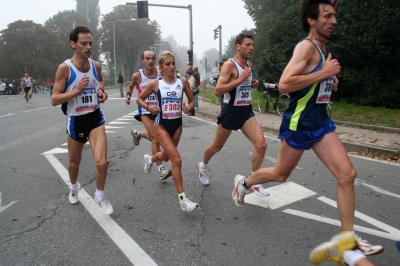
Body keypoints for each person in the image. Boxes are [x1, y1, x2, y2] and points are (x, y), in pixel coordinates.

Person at [231, 0, 383, 262]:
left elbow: (309, 81)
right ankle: (243, 184)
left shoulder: (323, 49)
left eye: (334, 15)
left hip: (321, 123)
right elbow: (284, 84)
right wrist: (323, 72)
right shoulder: (306, 46)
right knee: (280, 174)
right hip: (299, 124)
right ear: (312, 21)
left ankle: (348, 240)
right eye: (327, 16)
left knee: (347, 174)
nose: (334, 20)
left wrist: (326, 78)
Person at [197, 33, 269, 198]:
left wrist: (250, 83)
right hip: (231, 111)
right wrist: (240, 79)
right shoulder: (230, 65)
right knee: (217, 147)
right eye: (248, 45)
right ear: (238, 46)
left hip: (245, 111)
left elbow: (241, 85)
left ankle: (252, 181)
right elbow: (218, 91)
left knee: (261, 145)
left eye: (252, 45)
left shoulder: (249, 65)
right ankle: (203, 166)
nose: (251, 48)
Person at [51, 26, 113, 215]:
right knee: (74, 163)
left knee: (102, 162)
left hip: (95, 118)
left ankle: (100, 196)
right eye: (83, 43)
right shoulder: (65, 69)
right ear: (73, 44)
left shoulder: (95, 66)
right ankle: (73, 187)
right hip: (76, 120)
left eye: (90, 43)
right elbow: (54, 99)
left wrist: (101, 90)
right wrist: (77, 91)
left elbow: (100, 80)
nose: (88, 47)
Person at [136, 51, 198, 212]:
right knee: (176, 160)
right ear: (161, 67)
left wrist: (188, 108)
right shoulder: (156, 84)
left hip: (177, 126)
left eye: (173, 63)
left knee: (164, 156)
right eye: (167, 64)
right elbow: (139, 99)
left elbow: (192, 102)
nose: (171, 66)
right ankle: (183, 200)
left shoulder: (182, 81)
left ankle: (150, 160)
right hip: (161, 126)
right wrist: (149, 107)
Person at [125, 50, 172, 181]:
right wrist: (128, 96)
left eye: (152, 58)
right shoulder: (137, 76)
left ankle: (137, 134)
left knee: (157, 136)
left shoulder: (160, 73)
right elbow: (130, 87)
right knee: (155, 139)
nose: (150, 61)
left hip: (159, 110)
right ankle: (161, 169)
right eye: (147, 58)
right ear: (143, 61)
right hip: (145, 110)